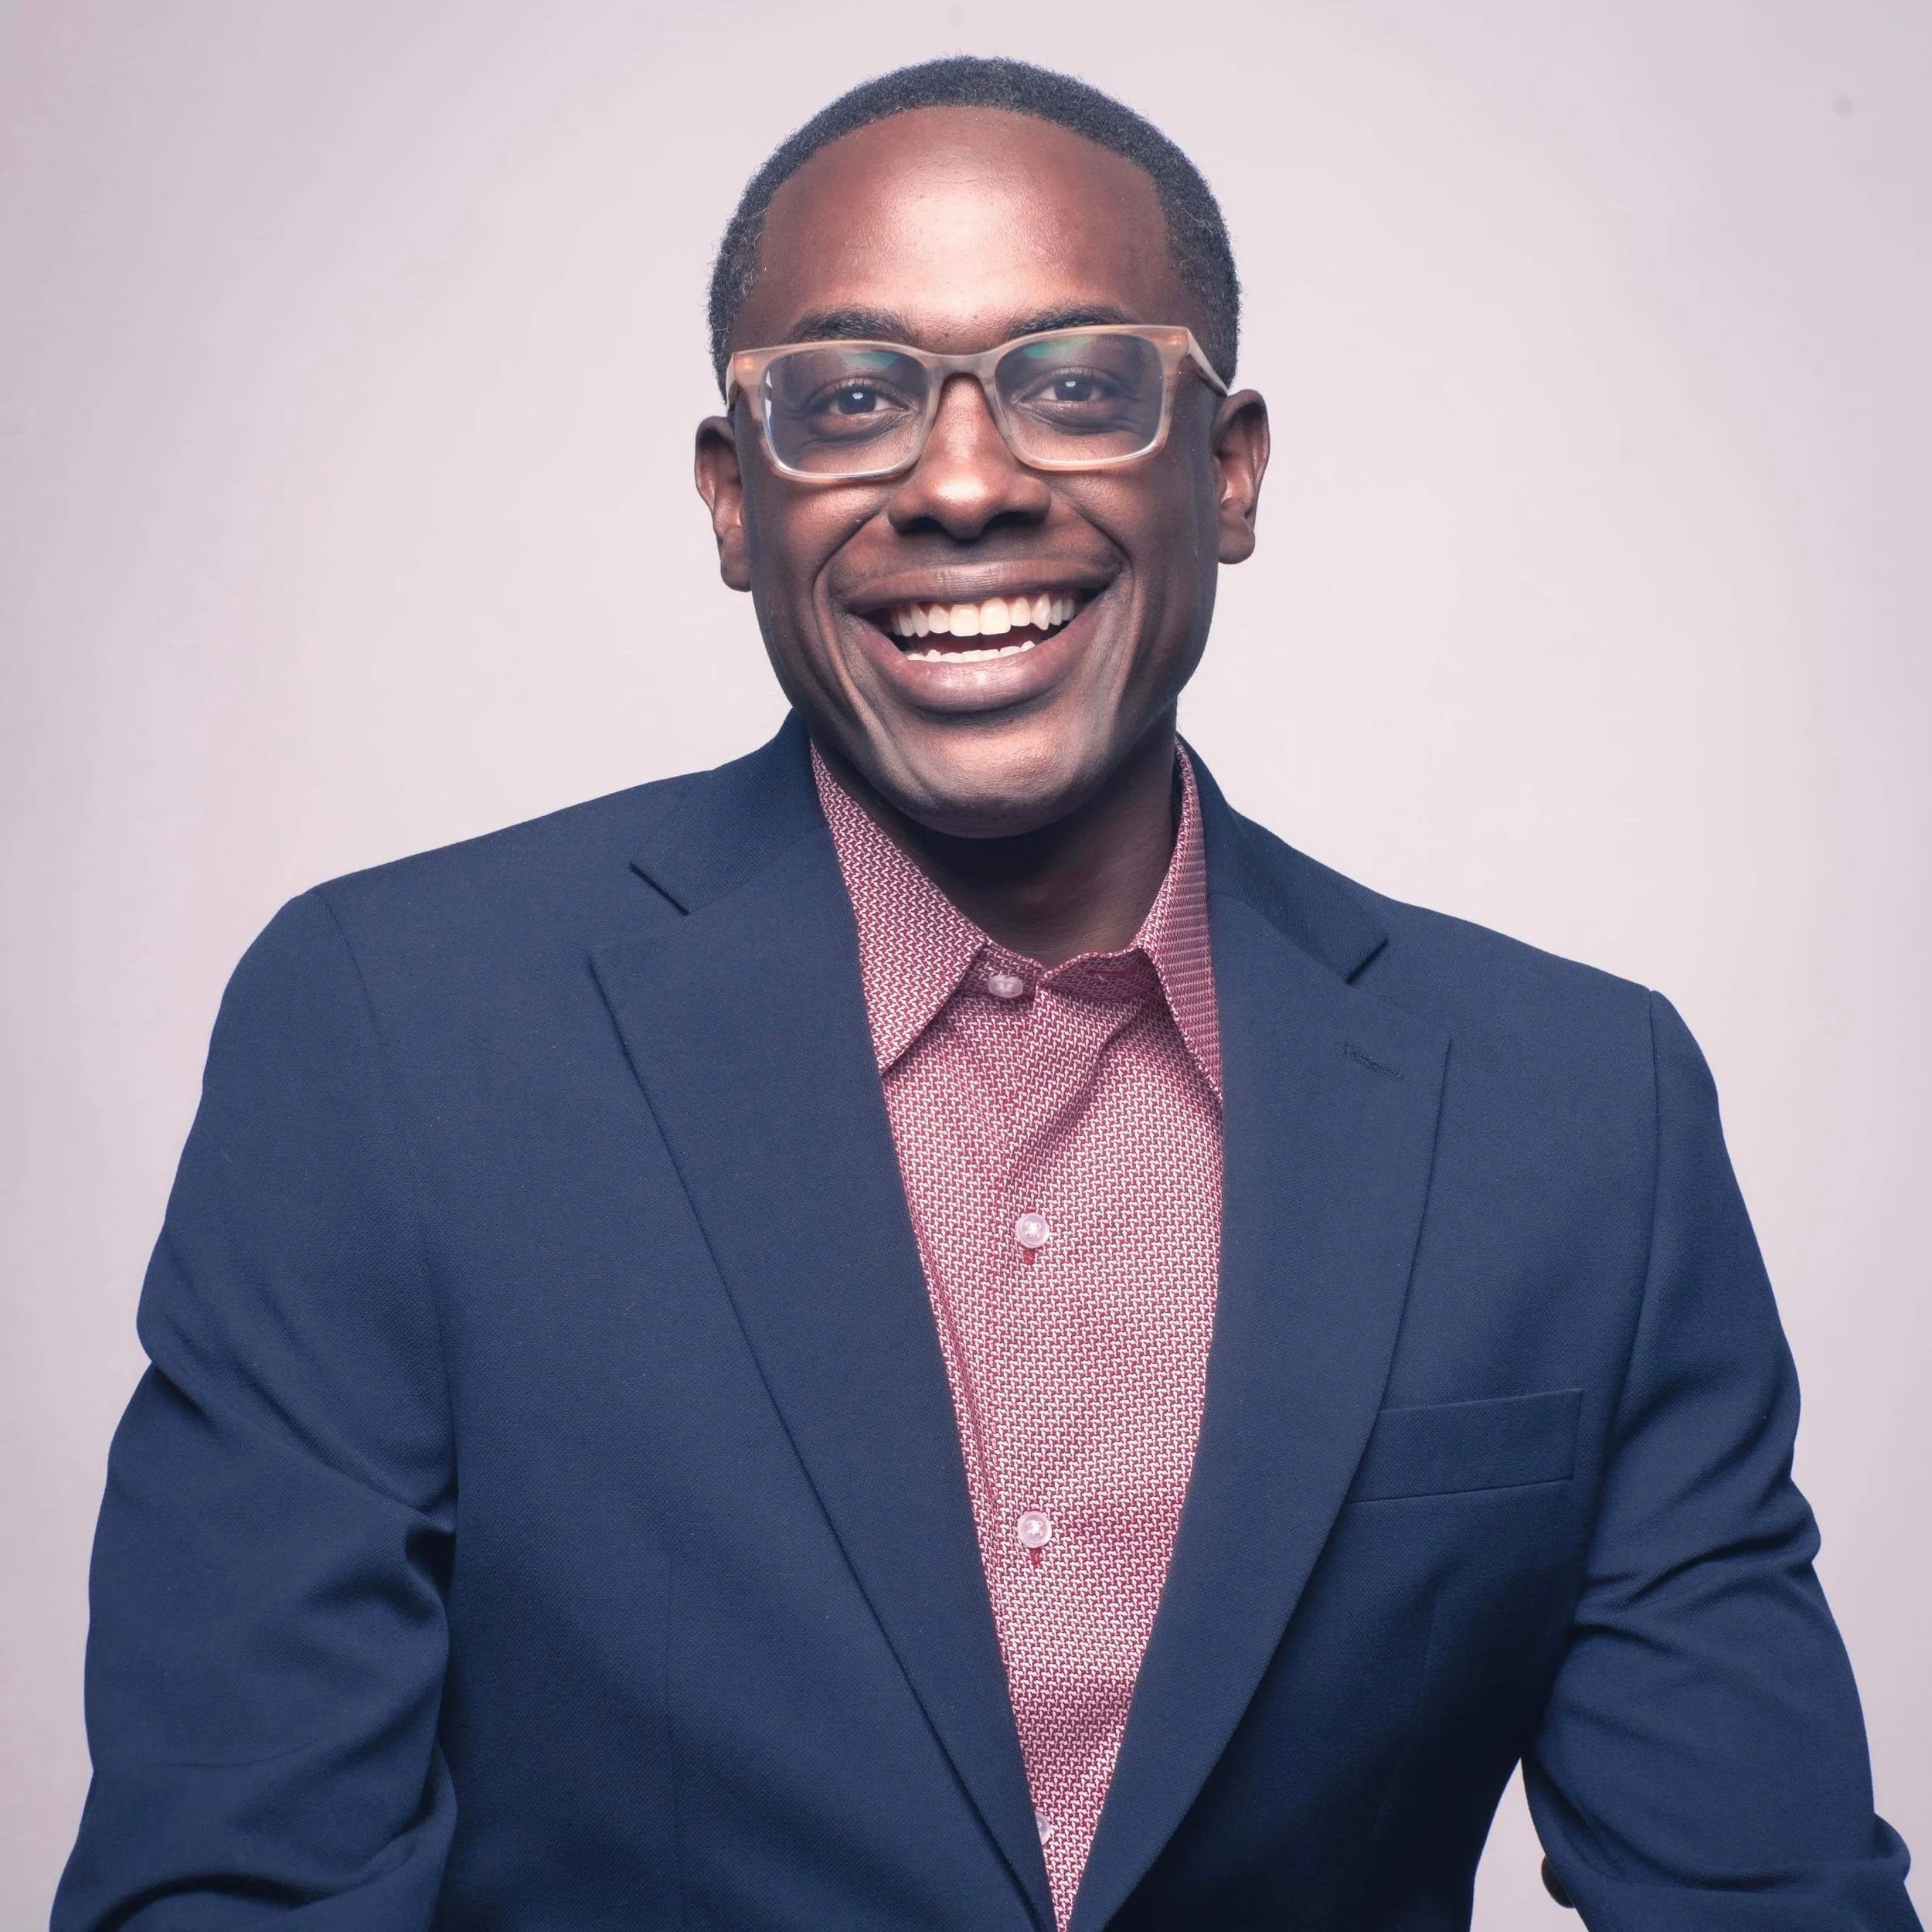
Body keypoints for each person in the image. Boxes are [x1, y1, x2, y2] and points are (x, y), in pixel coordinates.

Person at [55, 55, 1917, 1932]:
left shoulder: (1577, 1110)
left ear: (1229, 466)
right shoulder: (391, 1036)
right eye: (848, 399)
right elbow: (233, 1887)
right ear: (730, 502)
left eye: (1076, 384)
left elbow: (1763, 1895)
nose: (959, 481)